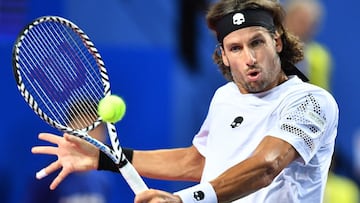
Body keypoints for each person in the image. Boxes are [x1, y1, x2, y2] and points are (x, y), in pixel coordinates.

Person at [31, 0, 339, 202]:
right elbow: (198, 161)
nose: (249, 58)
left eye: (257, 42)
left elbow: (266, 167)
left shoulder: (311, 101)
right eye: (235, 48)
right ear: (223, 57)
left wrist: (183, 199)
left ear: (277, 42)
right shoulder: (225, 97)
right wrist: (105, 158)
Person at [284, 0, 332, 91]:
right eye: (301, 21)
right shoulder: (270, 46)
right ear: (287, 18)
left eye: (311, 23)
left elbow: (321, 92)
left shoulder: (320, 56)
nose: (305, 27)